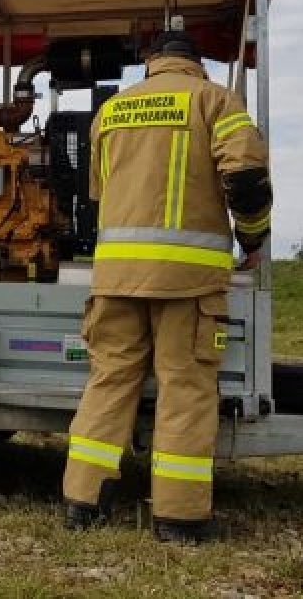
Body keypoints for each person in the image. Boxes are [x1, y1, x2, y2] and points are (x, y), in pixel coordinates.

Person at [62, 30, 272, 544]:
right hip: (188, 281)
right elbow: (247, 179)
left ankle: (82, 503)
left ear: (151, 62)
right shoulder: (216, 100)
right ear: (196, 63)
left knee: (109, 382)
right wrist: (252, 238)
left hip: (115, 277)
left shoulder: (111, 111)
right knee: (185, 388)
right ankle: (179, 518)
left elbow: (98, 194)